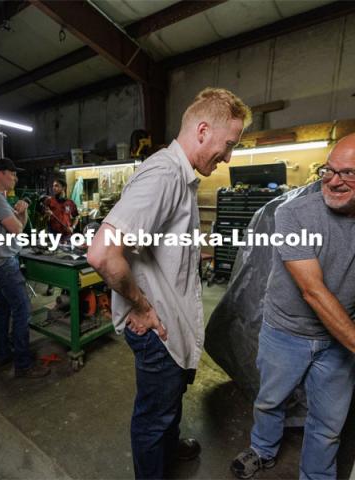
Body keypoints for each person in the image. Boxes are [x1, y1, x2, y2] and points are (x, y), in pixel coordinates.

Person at [87, 88, 251, 479]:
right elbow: (102, 253)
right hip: (156, 326)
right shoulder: (163, 174)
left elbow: (156, 242)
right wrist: (141, 306)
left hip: (171, 320)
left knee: (169, 399)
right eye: (228, 145)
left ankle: (168, 446)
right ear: (203, 130)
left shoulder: (180, 175)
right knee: (153, 415)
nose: (228, 157)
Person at [231, 134, 355, 480]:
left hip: (338, 342)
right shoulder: (294, 215)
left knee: (330, 423)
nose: (333, 180)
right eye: (329, 170)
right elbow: (312, 290)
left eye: (348, 174)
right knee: (271, 401)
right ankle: (263, 449)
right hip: (286, 332)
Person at [0, 157, 50, 378]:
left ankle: (2, 355)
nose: (15, 178)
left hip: (0, 260)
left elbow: (18, 225)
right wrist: (21, 213)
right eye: (13, 174)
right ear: (0, 173)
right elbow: (17, 229)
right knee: (23, 310)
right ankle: (23, 364)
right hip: (3, 262)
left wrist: (23, 210)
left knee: (4, 309)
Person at [43, 178, 79, 295]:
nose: (54, 188)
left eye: (57, 186)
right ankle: (51, 285)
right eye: (53, 186)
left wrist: (73, 227)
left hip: (67, 235)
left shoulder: (70, 203)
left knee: (67, 261)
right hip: (54, 234)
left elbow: (76, 217)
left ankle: (66, 287)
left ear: (63, 187)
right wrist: (48, 215)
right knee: (53, 261)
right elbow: (42, 219)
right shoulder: (49, 202)